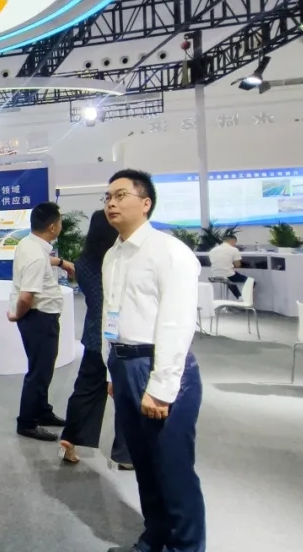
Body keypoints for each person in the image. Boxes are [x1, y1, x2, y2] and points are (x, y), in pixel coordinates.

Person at [103, 169, 205, 552]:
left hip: (158, 366)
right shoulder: (113, 254)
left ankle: (186, 546)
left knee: (173, 470)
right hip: (124, 364)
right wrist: (111, 369)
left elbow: (177, 323)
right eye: (107, 197)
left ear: (145, 203)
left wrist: (161, 387)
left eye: (120, 195)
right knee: (145, 466)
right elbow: (111, 316)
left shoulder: (169, 252)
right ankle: (155, 539)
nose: (111, 203)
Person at [58, 211, 132, 469]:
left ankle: (70, 439)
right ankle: (125, 454)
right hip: (122, 336)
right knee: (126, 394)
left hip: (93, 335)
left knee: (86, 389)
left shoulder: (83, 263)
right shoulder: (120, 260)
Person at [8, 202, 73, 442]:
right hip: (40, 318)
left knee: (43, 368)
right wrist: (18, 314)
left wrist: (62, 262)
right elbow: (27, 297)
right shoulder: (36, 255)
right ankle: (27, 423)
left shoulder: (29, 244)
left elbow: (44, 262)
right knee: (39, 372)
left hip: (38, 318)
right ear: (53, 227)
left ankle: (42, 411)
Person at [208, 234, 245, 299]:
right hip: (227, 275)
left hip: (214, 275)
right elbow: (237, 265)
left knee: (228, 279)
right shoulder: (234, 249)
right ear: (233, 241)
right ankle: (245, 300)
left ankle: (239, 297)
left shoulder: (212, 250)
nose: (235, 244)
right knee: (251, 282)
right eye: (235, 243)